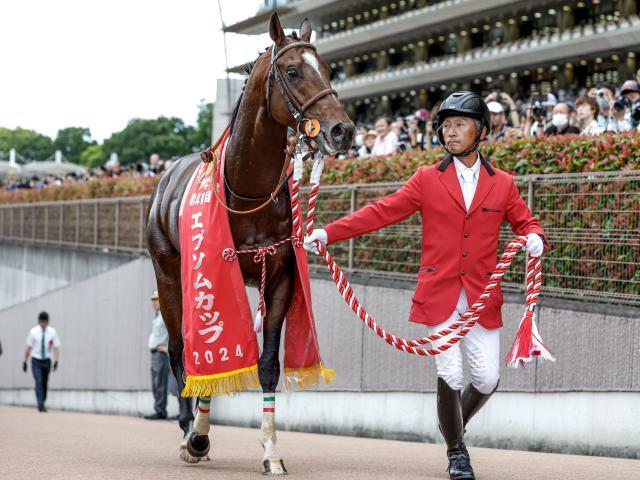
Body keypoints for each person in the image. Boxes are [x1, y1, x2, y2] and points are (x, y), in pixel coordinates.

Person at [304, 91, 546, 480]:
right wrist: (329, 233)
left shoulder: (503, 184)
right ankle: (457, 452)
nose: (451, 132)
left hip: (483, 298)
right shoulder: (426, 179)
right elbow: (381, 211)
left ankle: (450, 425)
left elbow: (526, 222)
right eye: (446, 126)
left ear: (480, 130)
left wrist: (535, 236)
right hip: (440, 295)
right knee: (449, 372)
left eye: (460, 124)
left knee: (487, 378)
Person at [146, 290, 194, 430]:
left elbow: (175, 334)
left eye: (157, 299)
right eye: (153, 300)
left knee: (172, 384)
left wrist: (167, 348)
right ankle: (162, 409)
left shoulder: (165, 316)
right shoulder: (157, 316)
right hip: (156, 353)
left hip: (165, 354)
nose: (154, 302)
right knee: (158, 383)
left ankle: (171, 411)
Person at [23, 311, 61, 412]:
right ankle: (40, 403)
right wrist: (25, 361)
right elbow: (28, 348)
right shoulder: (33, 332)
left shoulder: (52, 332)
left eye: (45, 322)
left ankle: (42, 400)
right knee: (38, 380)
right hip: (36, 359)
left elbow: (56, 348)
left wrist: (56, 361)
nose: (44, 324)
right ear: (39, 322)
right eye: (42, 322)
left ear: (48, 322)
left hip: (47, 360)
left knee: (44, 382)